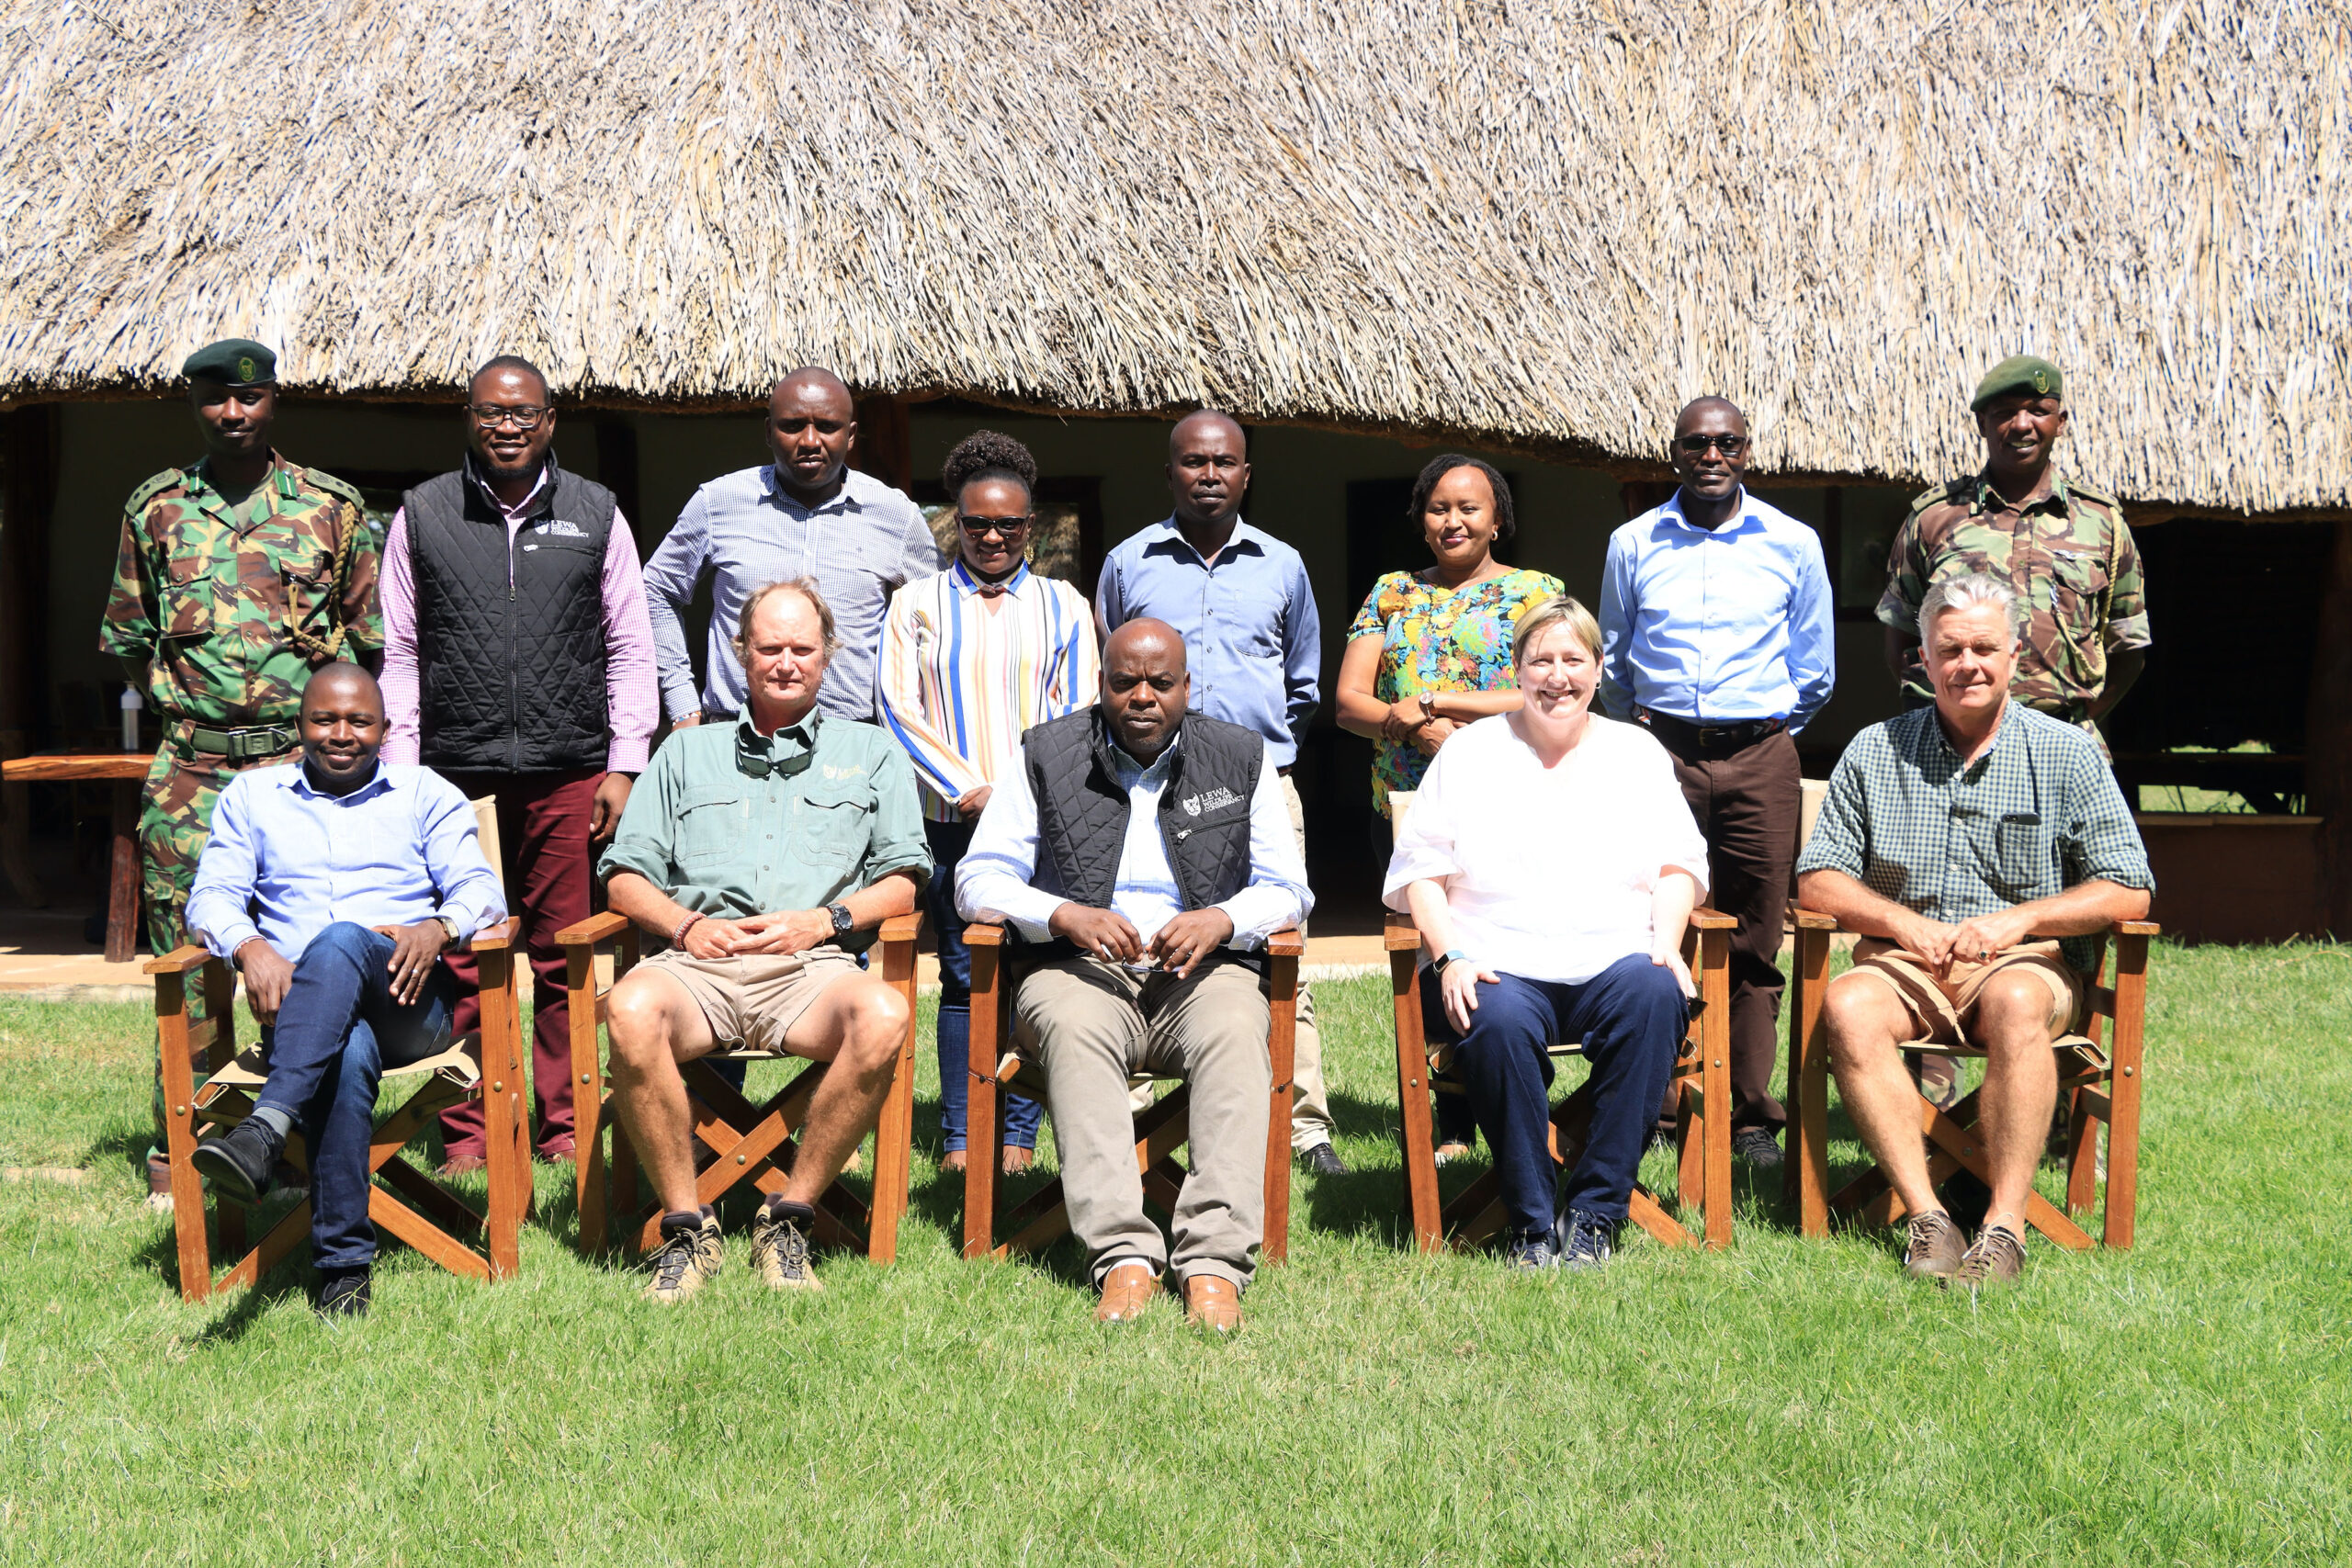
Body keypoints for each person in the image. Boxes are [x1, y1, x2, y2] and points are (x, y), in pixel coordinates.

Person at [1799, 573, 2153, 1288]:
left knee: (2015, 1001)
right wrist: (1902, 923)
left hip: (2026, 964)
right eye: (1951, 649)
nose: (1968, 664)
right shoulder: (1875, 749)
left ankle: (2004, 1225)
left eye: (1984, 648)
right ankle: (1929, 1216)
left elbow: (2129, 884)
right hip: (1907, 965)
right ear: (1923, 659)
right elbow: (1817, 880)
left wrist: (2022, 918)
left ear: (2015, 654)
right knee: (1847, 1003)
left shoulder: (2067, 753)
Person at [957, 619, 1311, 1332]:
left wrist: (1221, 919)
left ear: (1187, 687)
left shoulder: (1241, 755)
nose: (1142, 696)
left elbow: (1288, 888)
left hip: (1203, 970)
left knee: (1236, 1029)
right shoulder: (1047, 752)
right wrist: (1062, 914)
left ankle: (1213, 1263)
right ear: (1102, 684)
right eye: (1124, 682)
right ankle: (1122, 1255)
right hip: (1080, 968)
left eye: (1160, 682)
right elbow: (978, 878)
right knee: (1073, 1026)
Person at [99, 337, 382, 1201]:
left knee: (302, 950)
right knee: (190, 966)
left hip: (302, 773)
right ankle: (185, 1145)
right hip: (193, 770)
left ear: (273, 402)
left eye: (249, 398)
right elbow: (128, 636)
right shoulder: (155, 510)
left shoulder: (331, 509)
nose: (233, 413)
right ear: (194, 405)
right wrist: (192, 707)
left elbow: (366, 642)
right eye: (215, 398)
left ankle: (288, 1138)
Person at [596, 579, 930, 1303]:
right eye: (769, 646)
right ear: (741, 653)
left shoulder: (871, 752)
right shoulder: (686, 754)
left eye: (802, 648)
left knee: (884, 1014)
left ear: (827, 655)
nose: (785, 662)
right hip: (696, 965)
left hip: (812, 968)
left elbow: (903, 883)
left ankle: (789, 1215)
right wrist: (687, 925)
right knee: (627, 1006)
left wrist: (823, 920)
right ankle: (687, 1224)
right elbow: (622, 878)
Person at [379, 355, 659, 1172]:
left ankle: (564, 1128)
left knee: (564, 955)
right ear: (468, 418)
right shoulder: (423, 513)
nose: (508, 425)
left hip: (569, 771)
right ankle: (467, 1134)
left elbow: (629, 644)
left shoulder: (596, 513)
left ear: (550, 421)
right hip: (453, 774)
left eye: (524, 412)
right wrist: (404, 773)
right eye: (492, 412)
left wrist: (624, 763)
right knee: (463, 954)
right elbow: (401, 651)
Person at [1385, 595, 1709, 1270]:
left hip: (1614, 955)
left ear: (1598, 667)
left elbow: (1680, 862)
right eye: (1541, 661)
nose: (1557, 676)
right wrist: (1450, 956)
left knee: (1656, 993)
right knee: (1496, 1022)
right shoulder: (1470, 752)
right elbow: (1421, 870)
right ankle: (1531, 1223)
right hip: (1495, 960)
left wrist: (1666, 941)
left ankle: (1595, 1213)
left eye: (1573, 659)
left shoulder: (1637, 751)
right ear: (1517, 669)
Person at [183, 663, 506, 1318]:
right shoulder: (253, 797)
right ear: (298, 725)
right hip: (304, 1012)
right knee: (346, 1048)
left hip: (408, 1001)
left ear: (384, 728)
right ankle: (344, 1271)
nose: (341, 734)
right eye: (324, 719)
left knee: (337, 941)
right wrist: (249, 946)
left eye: (359, 721)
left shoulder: (424, 791)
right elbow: (211, 896)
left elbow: (481, 889)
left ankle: (265, 1128)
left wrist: (439, 927)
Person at [1874, 355, 2150, 1111]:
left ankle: (2054, 1104)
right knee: (1933, 900)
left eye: (2038, 411)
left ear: (2059, 419)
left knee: (2071, 924)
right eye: (2005, 413)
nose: (2021, 424)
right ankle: (1931, 1103)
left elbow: (2129, 643)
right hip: (1945, 753)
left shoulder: (2102, 523)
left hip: (2061, 752)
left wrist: (2076, 724)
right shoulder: (1936, 518)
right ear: (1983, 423)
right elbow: (1898, 634)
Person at [1095, 411, 1342, 1176]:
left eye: (1224, 462)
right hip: (1148, 786)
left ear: (1246, 474)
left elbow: (1302, 683)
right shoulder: (1128, 562)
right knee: (1141, 937)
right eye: (1194, 462)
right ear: (1169, 472)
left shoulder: (1283, 565)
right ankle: (1138, 1115)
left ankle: (1304, 1126)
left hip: (1259, 787)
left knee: (1280, 946)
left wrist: (1248, 757)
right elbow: (1112, 672)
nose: (1209, 475)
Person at [1598, 398, 1834, 1169]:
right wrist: (1648, 738)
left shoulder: (1793, 543)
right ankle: (1659, 1102)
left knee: (1758, 936)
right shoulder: (1633, 542)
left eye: (1727, 442)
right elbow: (1613, 660)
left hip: (1760, 755)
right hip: (1660, 753)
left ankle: (1748, 1114)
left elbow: (1815, 670)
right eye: (1697, 442)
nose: (1712, 455)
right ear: (1674, 452)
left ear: (1746, 451)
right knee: (1649, 927)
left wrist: (1755, 731)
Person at [878, 431, 1099, 1178]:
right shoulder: (915, 604)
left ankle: (1019, 1135)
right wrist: (966, 789)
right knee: (963, 974)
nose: (994, 536)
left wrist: (1017, 795)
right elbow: (898, 707)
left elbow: (1079, 711)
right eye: (978, 523)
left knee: (1033, 968)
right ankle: (960, 1133)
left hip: (1042, 824)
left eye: (1009, 523)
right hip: (950, 823)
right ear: (956, 522)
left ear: (1030, 524)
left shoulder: (1064, 605)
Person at [1336, 453, 1563, 1162]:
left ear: (1498, 519)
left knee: (1508, 944)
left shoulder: (1536, 593)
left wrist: (1436, 703)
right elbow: (1348, 702)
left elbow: (1549, 690)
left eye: (1470, 507)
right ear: (1421, 518)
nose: (1453, 520)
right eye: (1439, 508)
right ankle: (1455, 1120)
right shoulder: (1392, 592)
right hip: (1408, 809)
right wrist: (1410, 729)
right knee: (1435, 956)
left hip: (1512, 799)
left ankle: (1521, 1093)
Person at [643, 367, 942, 729]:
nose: (810, 440)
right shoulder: (718, 502)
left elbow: (940, 614)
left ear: (850, 436)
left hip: (850, 738)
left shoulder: (895, 515)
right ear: (769, 432)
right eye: (793, 426)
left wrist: (917, 717)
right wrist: (682, 703)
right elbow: (656, 590)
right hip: (734, 734)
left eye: (827, 427)